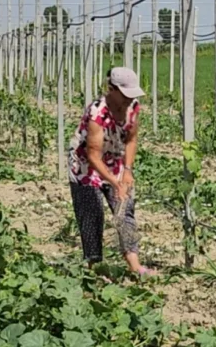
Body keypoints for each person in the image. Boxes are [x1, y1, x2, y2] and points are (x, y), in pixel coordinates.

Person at [67, 66, 156, 277]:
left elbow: (132, 140)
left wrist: (127, 170)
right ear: (111, 89)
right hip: (86, 167)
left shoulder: (132, 107)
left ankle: (135, 266)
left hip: (115, 163)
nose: (128, 99)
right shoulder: (97, 112)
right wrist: (114, 183)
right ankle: (94, 268)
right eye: (125, 94)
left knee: (125, 210)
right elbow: (93, 154)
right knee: (92, 215)